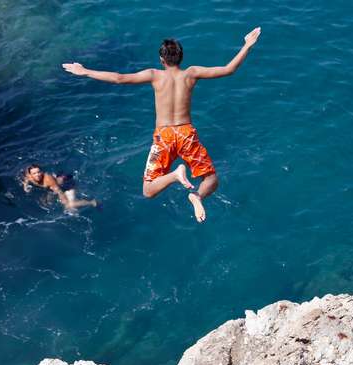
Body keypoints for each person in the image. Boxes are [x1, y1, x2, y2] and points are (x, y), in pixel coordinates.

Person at [62, 27, 261, 222]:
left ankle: (175, 175)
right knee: (211, 180)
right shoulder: (191, 73)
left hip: (164, 137)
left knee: (148, 191)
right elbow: (229, 69)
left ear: (161, 60)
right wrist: (247, 45)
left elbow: (119, 78)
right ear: (181, 57)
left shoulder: (154, 75)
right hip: (186, 134)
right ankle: (197, 196)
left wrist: (85, 71)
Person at [22, 164, 97, 210]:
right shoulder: (29, 177)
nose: (37, 174)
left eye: (39, 172)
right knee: (46, 204)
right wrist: (25, 187)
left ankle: (92, 202)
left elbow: (60, 192)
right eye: (34, 173)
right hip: (54, 186)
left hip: (67, 184)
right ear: (30, 175)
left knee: (70, 205)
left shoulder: (48, 180)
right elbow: (26, 179)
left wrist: (65, 203)